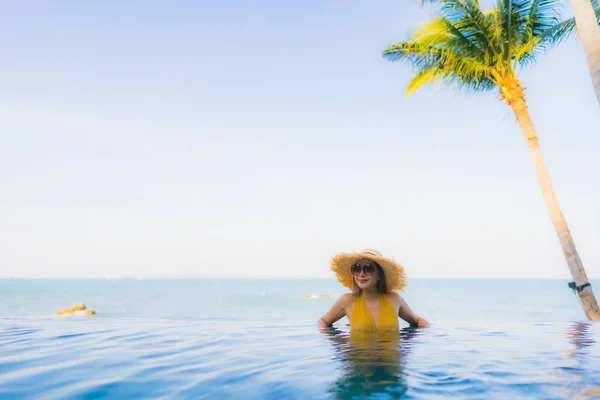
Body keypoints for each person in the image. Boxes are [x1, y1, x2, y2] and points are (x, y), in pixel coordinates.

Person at [317, 248, 429, 331]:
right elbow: (323, 322)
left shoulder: (395, 299)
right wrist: (338, 343)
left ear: (379, 275)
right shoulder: (347, 301)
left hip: (390, 361)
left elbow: (418, 321)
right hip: (360, 361)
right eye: (356, 269)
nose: (361, 274)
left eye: (368, 268)